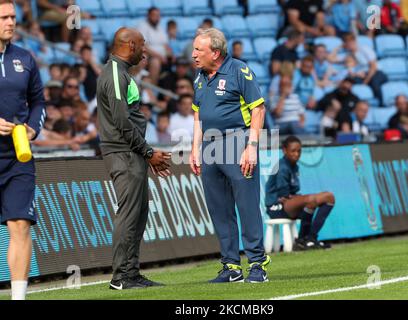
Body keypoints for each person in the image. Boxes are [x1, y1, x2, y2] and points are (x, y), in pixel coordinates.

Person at [190, 28, 271, 283]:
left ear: (215, 52)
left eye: (198, 50)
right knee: (219, 209)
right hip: (210, 147)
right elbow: (197, 114)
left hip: (237, 141)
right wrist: (194, 148)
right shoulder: (200, 77)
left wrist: (252, 146)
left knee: (247, 206)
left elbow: (258, 109)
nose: (193, 55)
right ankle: (231, 266)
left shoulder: (239, 70)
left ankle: (257, 264)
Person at [96, 27, 172, 290]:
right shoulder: (116, 75)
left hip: (130, 152)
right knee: (128, 213)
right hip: (123, 152)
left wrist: (144, 152)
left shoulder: (121, 73)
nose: (145, 50)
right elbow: (122, 120)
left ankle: (131, 272)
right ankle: (121, 277)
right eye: (142, 45)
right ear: (129, 45)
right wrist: (148, 152)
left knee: (138, 213)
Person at [0, 0, 46, 300]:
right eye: (4, 17)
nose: (10, 22)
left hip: (18, 156)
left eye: (13, 17)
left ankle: (18, 298)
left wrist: (32, 127)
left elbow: (39, 101)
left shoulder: (26, 58)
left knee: (20, 224)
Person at [265, 136, 335, 250]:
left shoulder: (294, 166)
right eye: (293, 151)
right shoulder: (282, 167)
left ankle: (310, 239)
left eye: (299, 151)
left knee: (329, 197)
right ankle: (302, 240)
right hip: (276, 207)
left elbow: (292, 194)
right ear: (284, 150)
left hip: (289, 204)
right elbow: (284, 195)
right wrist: (295, 198)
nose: (296, 154)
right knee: (311, 200)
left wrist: (295, 197)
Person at [137, 7, 173, 84]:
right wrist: (159, 56)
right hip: (150, 55)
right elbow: (144, 46)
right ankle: (152, 90)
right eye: (154, 15)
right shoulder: (142, 26)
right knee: (155, 62)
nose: (157, 18)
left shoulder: (160, 28)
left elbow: (165, 44)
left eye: (158, 15)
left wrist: (170, 53)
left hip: (162, 56)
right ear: (148, 15)